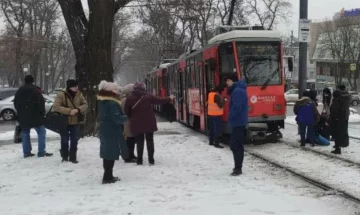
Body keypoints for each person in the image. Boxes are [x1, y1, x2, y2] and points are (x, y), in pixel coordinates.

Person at [124, 82, 174, 165]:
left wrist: (132, 117)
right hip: (149, 123)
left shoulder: (129, 98)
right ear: (144, 88)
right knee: (150, 141)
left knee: (139, 142)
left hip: (136, 123)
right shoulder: (148, 96)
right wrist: (169, 98)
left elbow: (126, 112)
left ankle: (139, 160)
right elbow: (159, 100)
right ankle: (151, 160)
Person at [14, 75, 53, 158]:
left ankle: (27, 153)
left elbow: (16, 103)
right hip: (36, 116)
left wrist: (21, 112)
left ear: (25, 81)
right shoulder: (36, 90)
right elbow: (41, 102)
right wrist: (42, 113)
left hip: (23, 116)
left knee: (25, 133)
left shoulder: (19, 90)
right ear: (33, 81)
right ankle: (41, 152)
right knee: (41, 132)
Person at [97, 80, 128, 184]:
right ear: (110, 91)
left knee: (107, 153)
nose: (117, 90)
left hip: (105, 129)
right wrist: (127, 117)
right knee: (111, 153)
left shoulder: (103, 101)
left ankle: (108, 175)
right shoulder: (112, 102)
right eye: (115, 89)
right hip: (111, 130)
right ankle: (107, 177)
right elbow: (116, 118)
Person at [53, 80, 88, 163]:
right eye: (74, 86)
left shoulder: (79, 94)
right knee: (64, 140)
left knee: (74, 140)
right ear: (69, 87)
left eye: (77, 86)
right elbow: (56, 106)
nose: (76, 88)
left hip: (75, 121)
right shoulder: (61, 94)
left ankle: (73, 157)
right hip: (64, 121)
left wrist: (78, 109)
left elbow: (85, 105)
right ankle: (64, 157)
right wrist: (69, 111)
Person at [225, 75, 248, 176]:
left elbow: (237, 107)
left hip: (238, 121)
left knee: (235, 145)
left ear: (232, 81)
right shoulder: (239, 90)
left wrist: (230, 116)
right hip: (240, 121)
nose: (227, 83)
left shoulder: (237, 91)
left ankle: (238, 168)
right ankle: (238, 167)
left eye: (228, 81)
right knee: (236, 145)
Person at [330, 85, 350, 154]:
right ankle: (342, 144)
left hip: (338, 118)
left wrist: (333, 118)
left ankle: (337, 149)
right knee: (343, 131)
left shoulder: (337, 98)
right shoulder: (347, 96)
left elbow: (334, 109)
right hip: (345, 117)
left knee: (336, 133)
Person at [120, 83, 137, 163]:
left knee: (131, 139)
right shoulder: (125, 100)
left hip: (129, 122)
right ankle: (128, 156)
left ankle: (131, 154)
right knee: (129, 140)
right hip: (128, 122)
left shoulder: (126, 99)